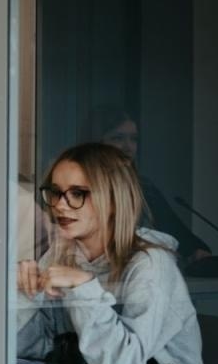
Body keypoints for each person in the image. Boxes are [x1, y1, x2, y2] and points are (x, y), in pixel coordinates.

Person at [16, 142, 218, 364]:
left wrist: (84, 287)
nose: (60, 206)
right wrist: (24, 294)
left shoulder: (151, 264)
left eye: (77, 193)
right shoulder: (63, 253)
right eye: (55, 192)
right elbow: (33, 348)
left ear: (112, 201)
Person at [82, 105, 211, 267]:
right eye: (117, 138)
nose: (128, 147)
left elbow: (180, 235)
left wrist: (195, 251)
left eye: (133, 139)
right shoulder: (78, 188)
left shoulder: (143, 187)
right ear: (96, 143)